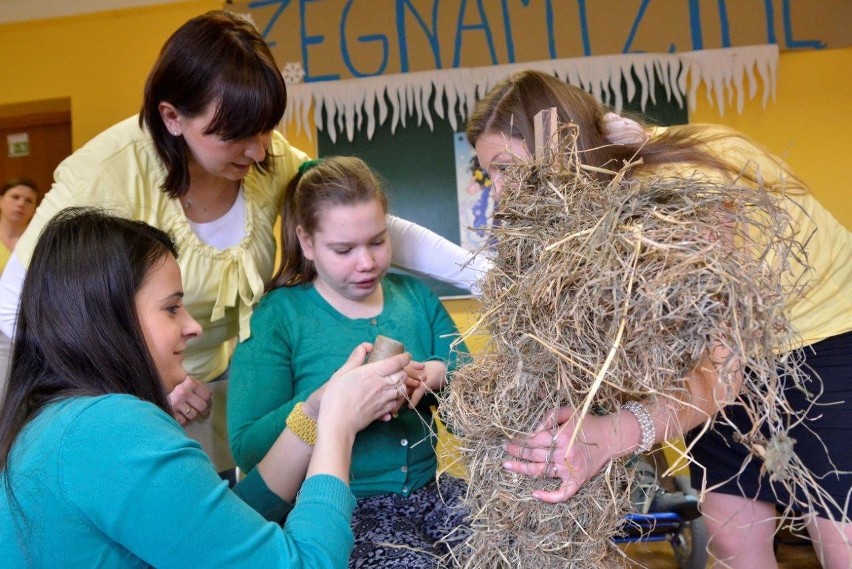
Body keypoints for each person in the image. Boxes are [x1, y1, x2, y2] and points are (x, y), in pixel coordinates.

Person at [0, 10, 487, 475]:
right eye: (236, 136)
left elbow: (353, 220)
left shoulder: (266, 155)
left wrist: (489, 278)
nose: (258, 152)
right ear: (173, 117)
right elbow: (14, 308)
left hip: (206, 382)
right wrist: (135, 378)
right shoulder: (107, 174)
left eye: (266, 130)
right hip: (103, 381)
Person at [465, 70, 852, 568]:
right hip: (721, 357)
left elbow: (722, 374)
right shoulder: (604, 188)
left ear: (560, 148)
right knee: (732, 532)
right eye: (488, 174)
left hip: (823, 337)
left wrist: (610, 436)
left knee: (837, 534)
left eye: (506, 169)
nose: (500, 194)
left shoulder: (677, 205)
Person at [0, 207, 413, 567]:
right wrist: (340, 426)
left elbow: (221, 530)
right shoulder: (110, 427)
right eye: (172, 308)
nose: (192, 326)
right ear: (108, 318)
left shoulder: (59, 422)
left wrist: (315, 414)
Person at [228, 157, 470, 568]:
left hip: (432, 491)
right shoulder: (279, 316)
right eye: (343, 249)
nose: (367, 262)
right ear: (306, 242)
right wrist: (331, 398)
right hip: (347, 508)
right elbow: (250, 450)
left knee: (515, 548)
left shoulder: (415, 297)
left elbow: (479, 410)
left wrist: (435, 375)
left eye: (378, 241)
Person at [0, 177, 38, 397]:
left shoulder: (35, 241)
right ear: (2, 201)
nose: (21, 204)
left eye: (29, 200)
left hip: (27, 328)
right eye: (15, 197)